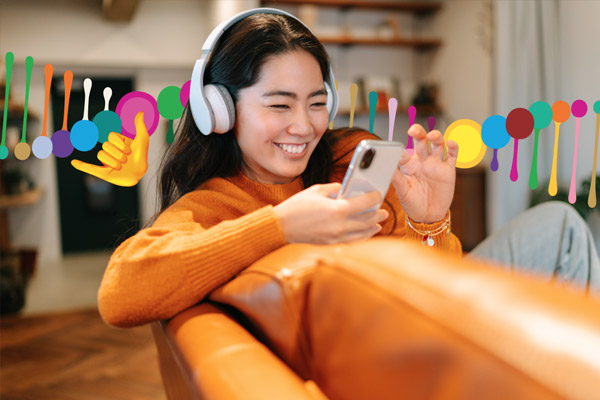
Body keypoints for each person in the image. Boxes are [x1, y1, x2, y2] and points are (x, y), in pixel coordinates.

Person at [97, 9, 598, 328]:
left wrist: (430, 220)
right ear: (221, 111)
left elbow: (432, 273)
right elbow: (119, 293)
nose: (304, 125)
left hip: (425, 304)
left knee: (560, 226)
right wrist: (278, 226)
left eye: (317, 102)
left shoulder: (349, 152)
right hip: (389, 336)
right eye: (279, 105)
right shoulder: (213, 205)